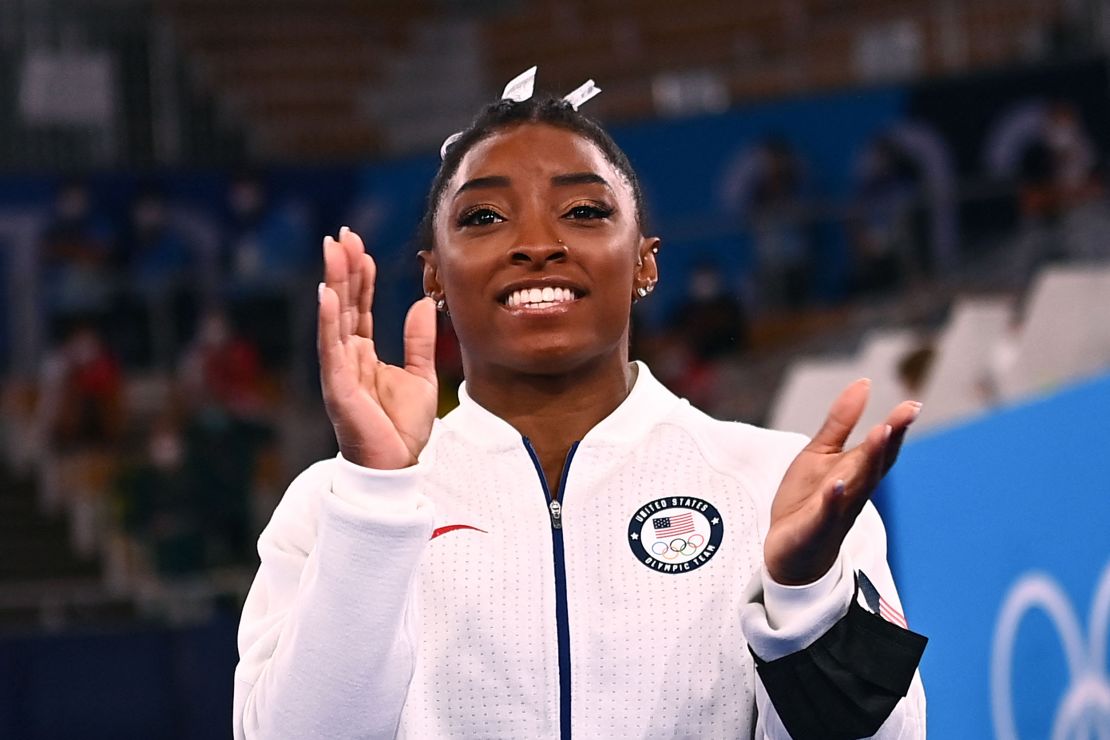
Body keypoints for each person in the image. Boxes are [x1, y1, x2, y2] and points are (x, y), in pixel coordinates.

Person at [234, 77, 927, 739]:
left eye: (585, 211)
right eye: (484, 217)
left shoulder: (776, 487)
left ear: (645, 263)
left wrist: (807, 601)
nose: (538, 244)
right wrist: (378, 500)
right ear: (434, 273)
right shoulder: (336, 506)